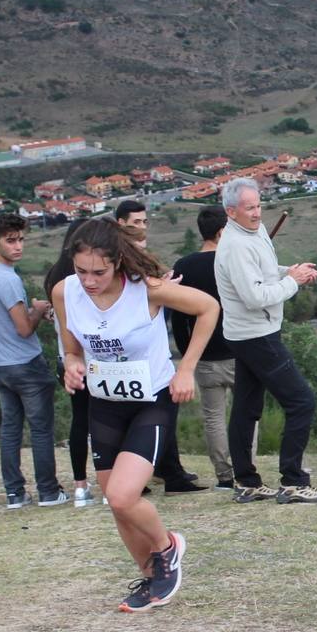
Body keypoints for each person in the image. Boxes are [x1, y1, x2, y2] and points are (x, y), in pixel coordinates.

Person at [52, 216, 220, 611]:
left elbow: (209, 309)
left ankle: (167, 547)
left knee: (124, 495)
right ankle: (150, 579)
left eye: (99, 272)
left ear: (118, 263)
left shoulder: (147, 290)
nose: (89, 281)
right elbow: (72, 347)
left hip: (151, 400)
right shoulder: (65, 292)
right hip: (105, 402)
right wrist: (72, 364)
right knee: (117, 504)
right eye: (81, 271)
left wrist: (186, 368)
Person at [215, 178, 317, 503]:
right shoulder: (236, 245)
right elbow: (255, 297)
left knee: (246, 407)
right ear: (231, 211)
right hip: (256, 334)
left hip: (248, 333)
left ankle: (246, 482)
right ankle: (293, 481)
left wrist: (289, 271)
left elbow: (264, 272)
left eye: (258, 205)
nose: (257, 213)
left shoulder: (252, 232)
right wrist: (293, 282)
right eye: (249, 208)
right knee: (301, 401)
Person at [0, 213, 66, 509]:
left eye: (21, 240)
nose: (18, 247)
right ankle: (49, 492)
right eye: (10, 241)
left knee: (10, 429)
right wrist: (39, 309)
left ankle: (15, 493)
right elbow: (23, 328)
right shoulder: (8, 279)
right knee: (40, 429)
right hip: (24, 364)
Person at [113, 199, 202, 491]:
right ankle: (165, 474)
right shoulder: (120, 264)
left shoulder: (138, 262)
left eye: (144, 222)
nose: (141, 228)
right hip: (137, 360)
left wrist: (163, 288)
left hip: (146, 353)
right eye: (135, 223)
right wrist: (166, 290)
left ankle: (166, 471)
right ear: (120, 226)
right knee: (153, 416)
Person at [172, 206, 244, 491]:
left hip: (203, 356)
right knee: (245, 413)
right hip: (240, 352)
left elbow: (178, 318)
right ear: (221, 232)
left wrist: (188, 353)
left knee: (213, 417)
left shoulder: (184, 266)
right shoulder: (233, 262)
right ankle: (245, 471)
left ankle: (224, 476)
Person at [44, 219, 97, 507]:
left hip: (66, 358)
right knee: (103, 422)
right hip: (95, 357)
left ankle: (80, 486)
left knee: (79, 421)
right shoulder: (89, 279)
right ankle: (108, 481)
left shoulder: (55, 275)